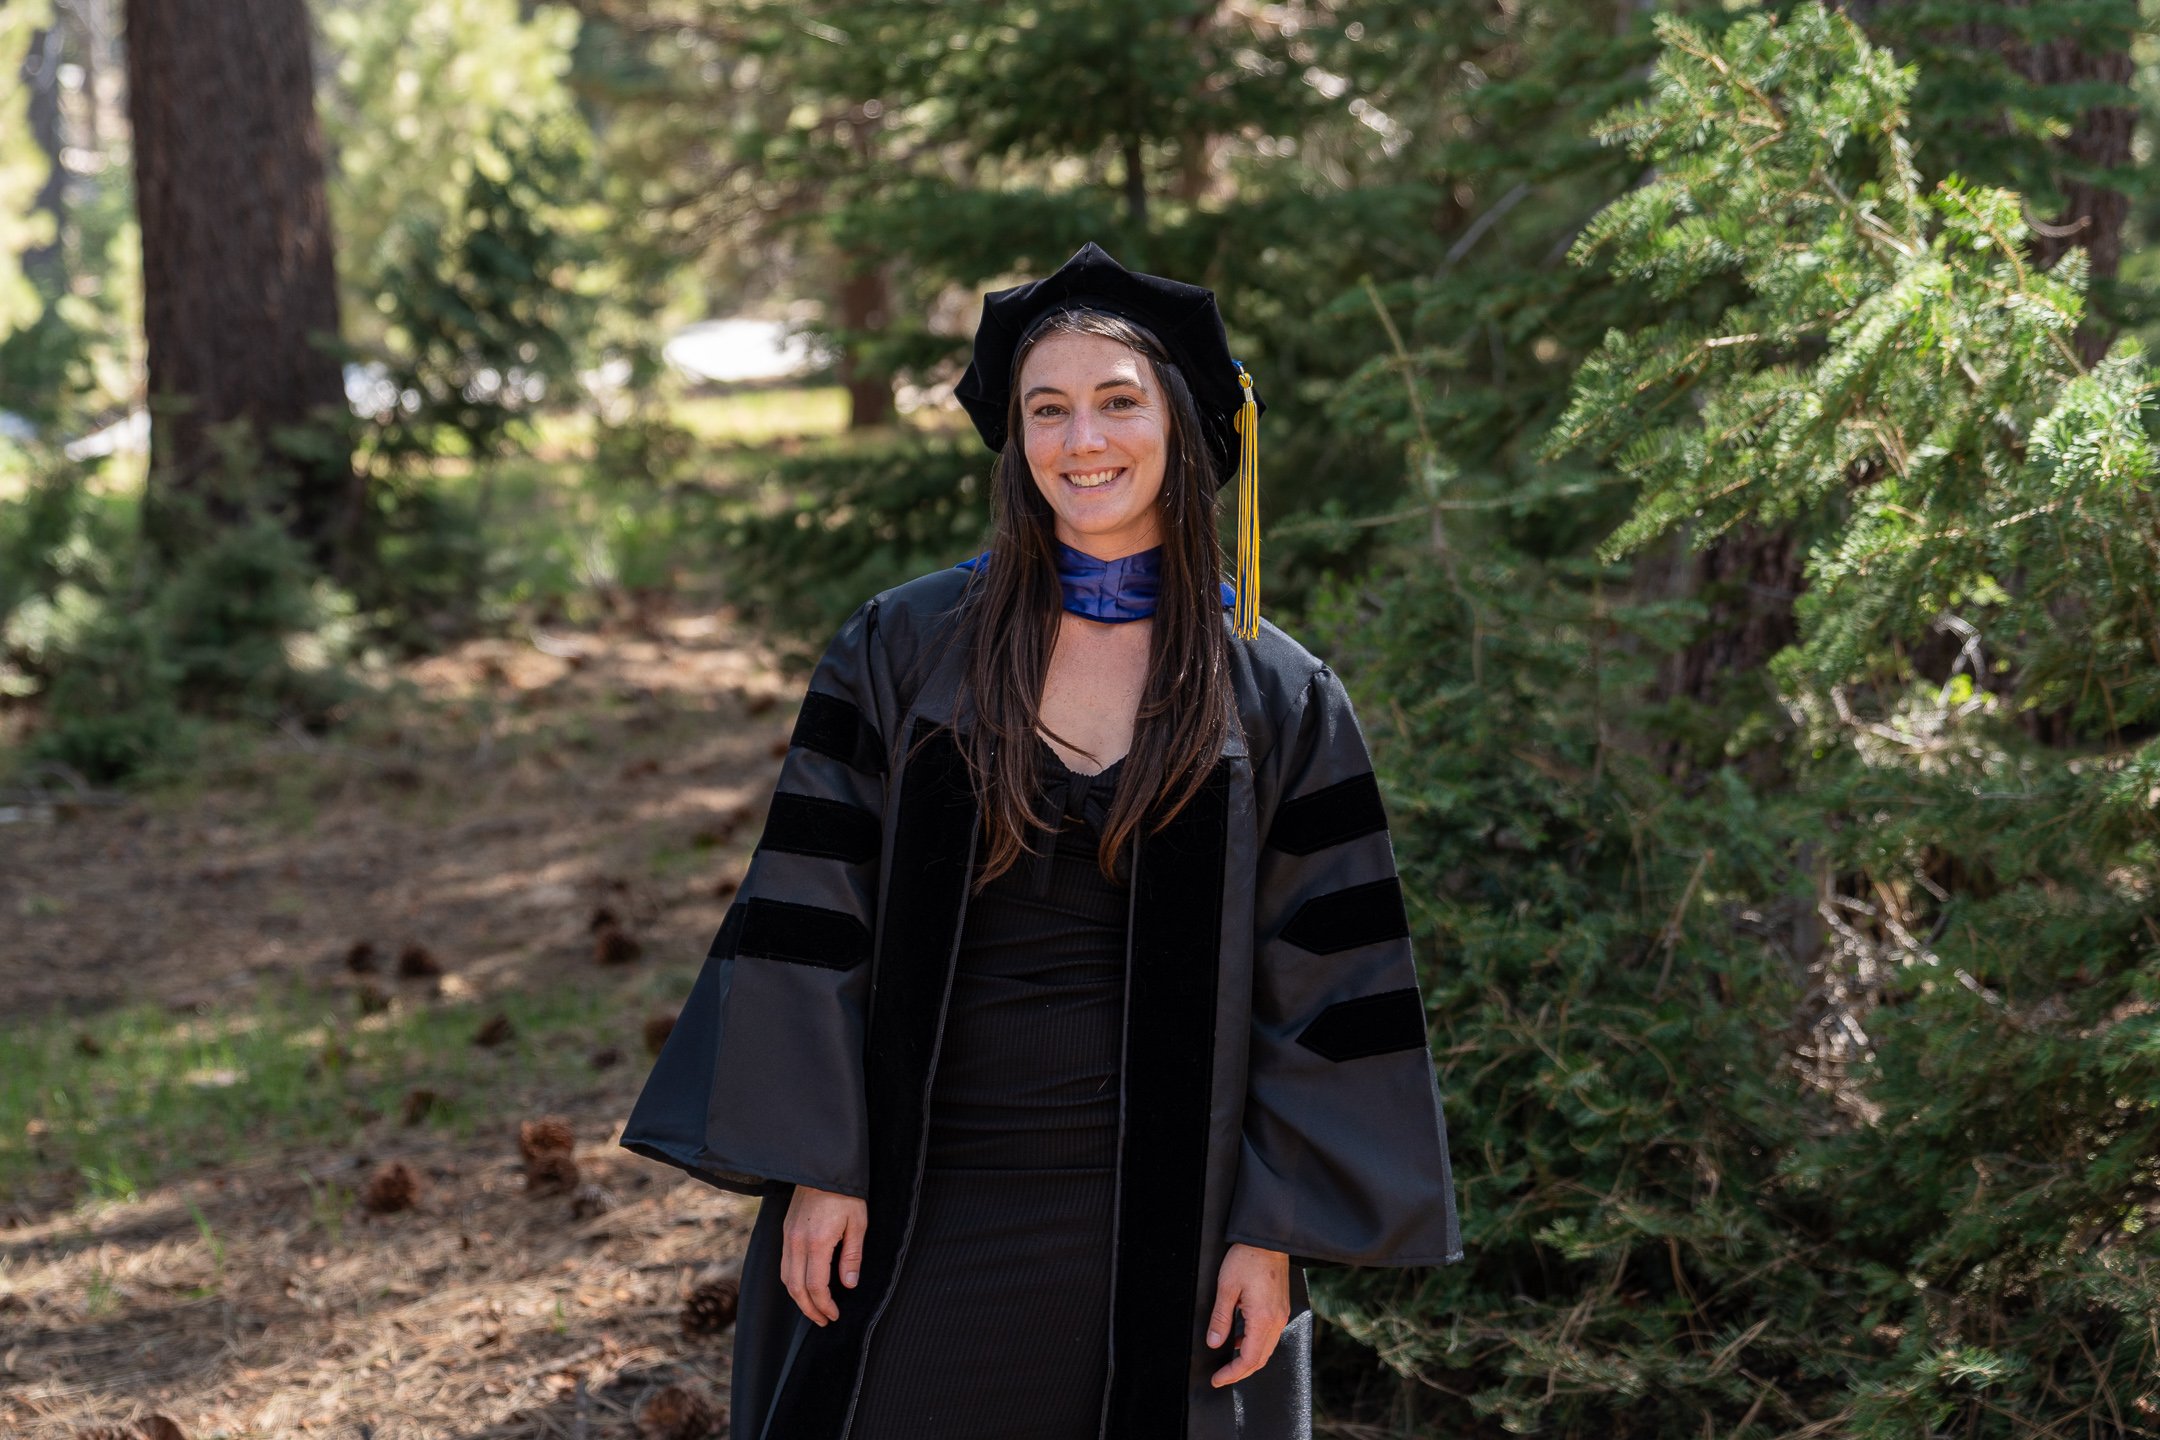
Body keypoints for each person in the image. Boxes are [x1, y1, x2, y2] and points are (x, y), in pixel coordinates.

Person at [622, 242, 1459, 1440]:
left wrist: (1270, 1231)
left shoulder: (1275, 694)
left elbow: (1325, 986)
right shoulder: (904, 649)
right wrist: (822, 1163)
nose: (1084, 441)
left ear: (1181, 426)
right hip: (921, 1184)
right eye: (1047, 410)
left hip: (1163, 1209)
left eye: (1118, 402)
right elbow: (812, 923)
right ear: (1014, 440)